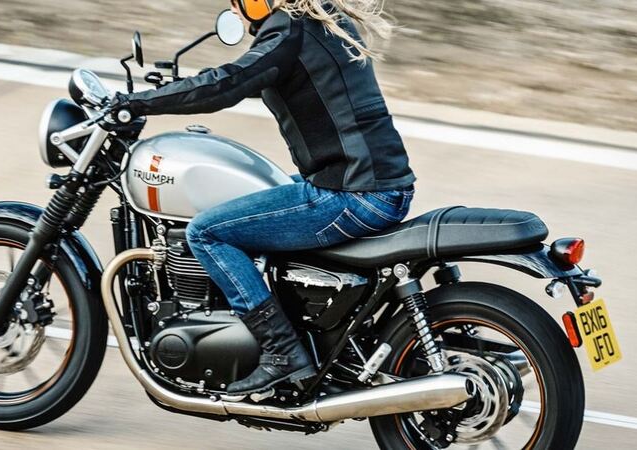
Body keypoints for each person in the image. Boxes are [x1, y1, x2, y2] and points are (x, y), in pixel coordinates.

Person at [111, 0, 415, 395]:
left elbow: (230, 83)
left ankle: (282, 351)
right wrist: (180, 87)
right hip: (377, 186)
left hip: (352, 194)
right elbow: (250, 76)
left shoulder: (289, 28)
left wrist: (137, 103)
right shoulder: (323, 21)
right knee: (259, 196)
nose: (237, 11)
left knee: (206, 232)